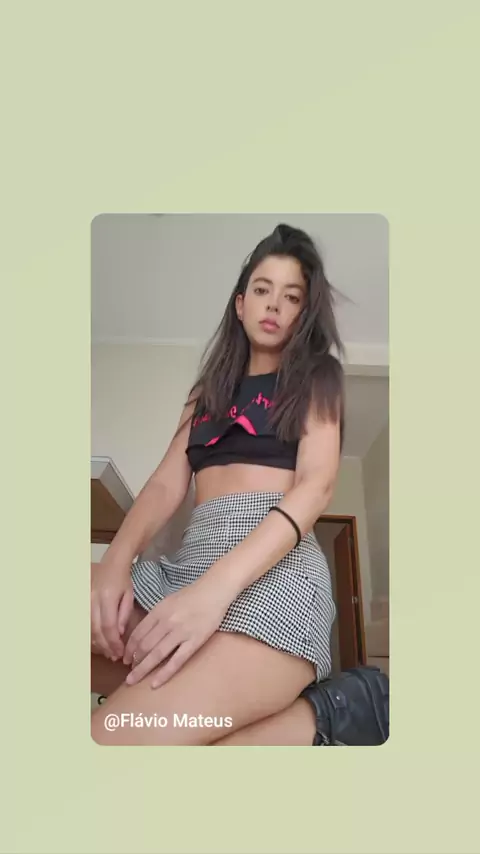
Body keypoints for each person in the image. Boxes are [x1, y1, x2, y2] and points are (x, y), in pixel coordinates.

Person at [91, 223, 388, 746]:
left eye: (291, 297)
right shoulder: (207, 391)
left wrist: (215, 590)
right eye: (262, 289)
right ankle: (299, 721)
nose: (274, 304)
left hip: (273, 571)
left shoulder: (317, 377)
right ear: (240, 303)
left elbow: (315, 488)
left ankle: (315, 716)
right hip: (189, 563)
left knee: (114, 737)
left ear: (304, 313)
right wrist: (115, 562)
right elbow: (164, 485)